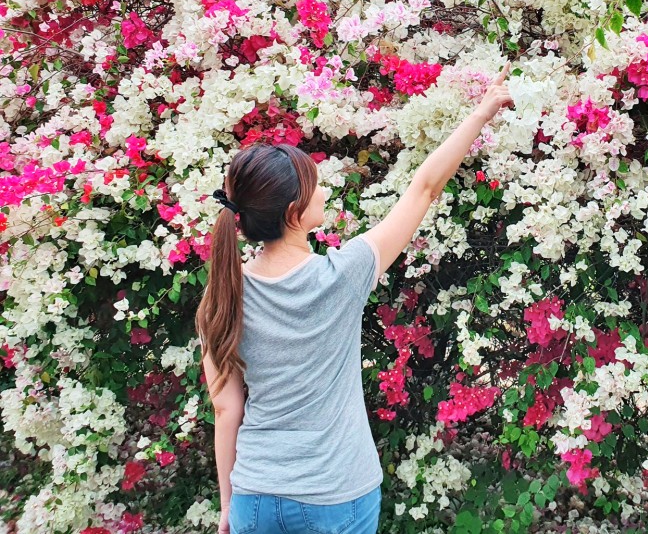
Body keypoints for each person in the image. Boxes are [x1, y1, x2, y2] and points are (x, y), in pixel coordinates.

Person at [194, 61, 512, 534]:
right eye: (315, 186)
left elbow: (227, 409)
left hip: (255, 498)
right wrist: (479, 115)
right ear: (295, 213)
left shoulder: (220, 297)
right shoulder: (344, 274)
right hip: (337, 494)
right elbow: (423, 189)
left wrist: (227, 507)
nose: (325, 191)